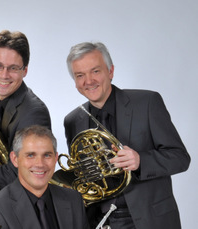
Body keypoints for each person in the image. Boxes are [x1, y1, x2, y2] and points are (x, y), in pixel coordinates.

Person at [64, 41, 190, 229]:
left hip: (151, 220)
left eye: (95, 71)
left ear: (111, 71)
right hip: (104, 222)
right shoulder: (72, 121)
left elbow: (180, 158)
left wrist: (141, 161)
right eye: (80, 75)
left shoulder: (147, 103)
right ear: (75, 82)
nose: (88, 81)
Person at [0, 30, 51, 192]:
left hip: (14, 205)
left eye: (13, 68)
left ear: (25, 70)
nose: (4, 75)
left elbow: (19, 172)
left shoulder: (34, 112)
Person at [0, 125, 89, 229]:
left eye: (47, 155)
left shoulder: (74, 199)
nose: (40, 164)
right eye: (31, 155)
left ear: (55, 159)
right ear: (15, 159)